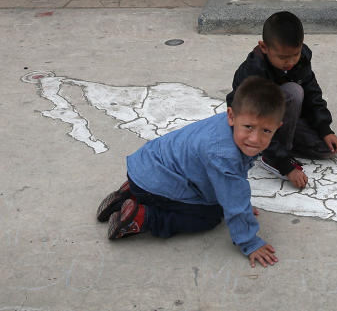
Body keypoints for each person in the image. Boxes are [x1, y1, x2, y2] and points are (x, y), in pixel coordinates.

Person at [95, 76, 284, 268]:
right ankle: (142, 216)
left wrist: (234, 202)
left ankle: (129, 194)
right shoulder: (224, 154)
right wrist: (249, 242)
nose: (255, 138)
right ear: (231, 116)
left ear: (278, 127)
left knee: (220, 202)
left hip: (146, 166)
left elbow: (230, 185)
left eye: (266, 131)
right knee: (209, 217)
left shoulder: (233, 121)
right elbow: (233, 196)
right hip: (154, 182)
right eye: (249, 127)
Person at [228, 11, 337, 190]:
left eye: (295, 55)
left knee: (325, 149)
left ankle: (279, 145)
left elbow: (312, 93)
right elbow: (256, 120)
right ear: (264, 47)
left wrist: (325, 129)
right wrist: (286, 165)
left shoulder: (301, 59)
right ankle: (271, 157)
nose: (290, 62)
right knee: (293, 91)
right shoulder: (254, 72)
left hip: (280, 120)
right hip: (255, 123)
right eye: (282, 57)